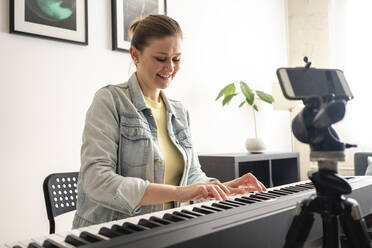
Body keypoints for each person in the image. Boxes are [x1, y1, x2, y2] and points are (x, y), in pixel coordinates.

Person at [72, 14, 266, 228]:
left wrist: (220, 188)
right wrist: (179, 192)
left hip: (167, 228)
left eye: (176, 59)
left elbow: (192, 175)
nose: (170, 68)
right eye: (161, 59)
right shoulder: (110, 100)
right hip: (114, 231)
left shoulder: (180, 111)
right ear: (135, 55)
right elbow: (97, 181)